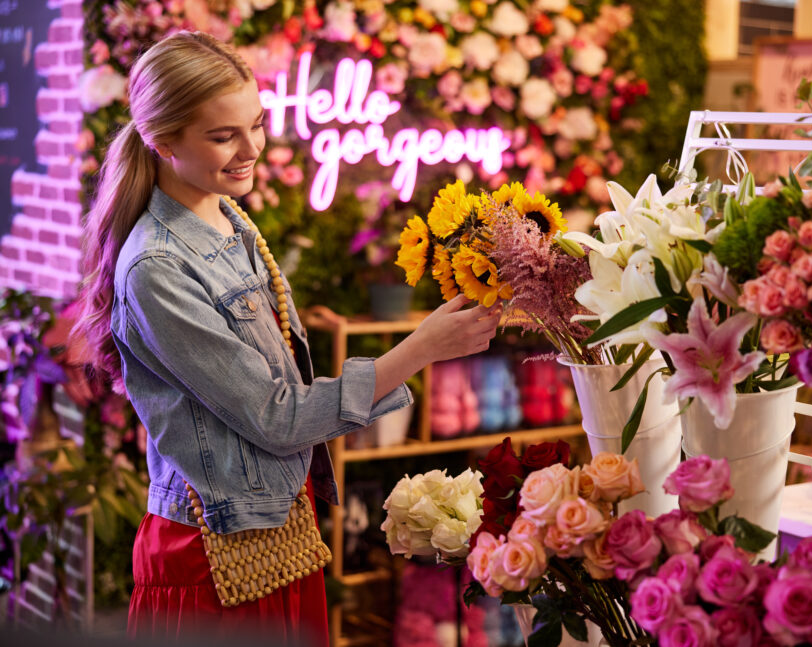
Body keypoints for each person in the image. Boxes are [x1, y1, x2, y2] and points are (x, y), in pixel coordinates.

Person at [73, 31, 501, 646]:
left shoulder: (223, 213)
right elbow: (277, 415)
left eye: (256, 125)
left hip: (276, 531)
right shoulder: (156, 269)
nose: (252, 149)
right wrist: (420, 349)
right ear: (162, 141)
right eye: (224, 137)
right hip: (213, 557)